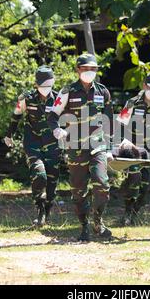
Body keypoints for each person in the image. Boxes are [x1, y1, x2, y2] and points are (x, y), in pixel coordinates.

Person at [48, 53, 114, 241]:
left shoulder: (103, 92)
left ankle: (98, 222)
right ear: (78, 70)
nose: (89, 72)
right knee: (78, 190)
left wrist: (110, 147)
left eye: (92, 69)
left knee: (102, 184)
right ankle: (84, 226)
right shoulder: (67, 91)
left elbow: (109, 120)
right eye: (85, 69)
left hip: (98, 146)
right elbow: (53, 115)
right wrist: (57, 129)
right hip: (75, 147)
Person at [4, 65, 61, 226]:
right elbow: (16, 116)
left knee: (52, 181)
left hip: (53, 145)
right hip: (33, 143)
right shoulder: (26, 98)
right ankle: (40, 208)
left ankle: (46, 212)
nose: (45, 89)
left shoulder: (58, 100)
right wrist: (9, 134)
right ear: (36, 84)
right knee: (39, 174)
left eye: (48, 85)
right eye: (42, 86)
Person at [115, 72, 150, 226]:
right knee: (134, 180)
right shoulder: (132, 103)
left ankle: (134, 212)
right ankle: (127, 211)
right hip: (133, 151)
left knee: (146, 185)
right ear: (145, 86)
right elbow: (120, 125)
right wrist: (122, 144)